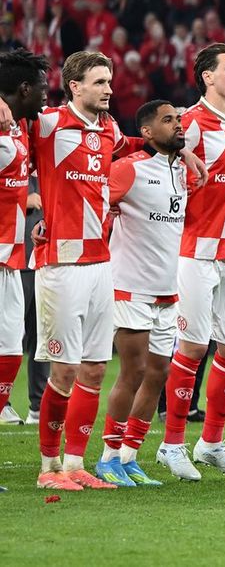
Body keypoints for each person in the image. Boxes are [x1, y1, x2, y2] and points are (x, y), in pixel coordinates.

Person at [31, 53, 138, 490]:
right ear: (74, 86)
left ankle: (76, 465)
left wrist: (184, 152)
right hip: (62, 266)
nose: (108, 89)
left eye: (109, 81)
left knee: (94, 370)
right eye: (99, 82)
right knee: (64, 372)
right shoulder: (48, 123)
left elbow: (145, 143)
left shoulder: (109, 129)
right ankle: (47, 468)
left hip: (100, 265)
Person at [158, 43, 225, 480]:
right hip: (195, 251)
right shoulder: (190, 123)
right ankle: (171, 444)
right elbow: (154, 152)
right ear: (207, 77)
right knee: (194, 347)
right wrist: (178, 148)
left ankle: (211, 442)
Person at [96, 100, 187, 487]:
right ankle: (108, 457)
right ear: (147, 132)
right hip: (130, 287)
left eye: (178, 119)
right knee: (132, 371)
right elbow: (94, 204)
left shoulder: (182, 169)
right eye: (168, 121)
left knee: (158, 373)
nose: (178, 125)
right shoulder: (128, 168)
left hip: (168, 290)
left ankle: (131, 456)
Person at [0, 50, 48, 489]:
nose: (46, 99)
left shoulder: (18, 128)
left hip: (11, 260)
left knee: (11, 351)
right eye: (42, 91)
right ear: (24, 90)